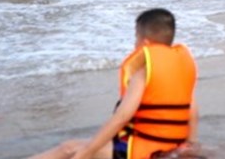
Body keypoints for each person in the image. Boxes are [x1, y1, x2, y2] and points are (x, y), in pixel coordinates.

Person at [29, 8, 198, 159]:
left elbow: (122, 117)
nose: (135, 44)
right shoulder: (182, 66)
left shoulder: (143, 72)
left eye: (136, 38)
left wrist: (88, 151)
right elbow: (193, 111)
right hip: (174, 146)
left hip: (145, 151)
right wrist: (190, 145)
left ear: (145, 42)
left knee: (69, 148)